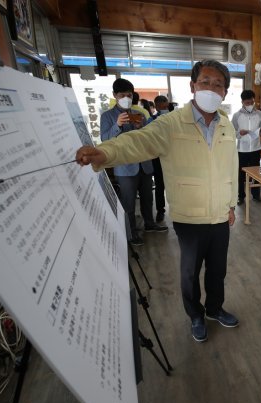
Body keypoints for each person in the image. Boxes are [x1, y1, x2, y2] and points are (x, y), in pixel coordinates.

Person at [76, 60, 239, 343]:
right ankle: (196, 315)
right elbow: (139, 141)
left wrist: (232, 204)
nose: (211, 89)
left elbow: (230, 166)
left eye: (218, 85)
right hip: (189, 215)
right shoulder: (171, 123)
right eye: (205, 82)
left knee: (218, 270)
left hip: (219, 215)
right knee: (190, 273)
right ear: (192, 86)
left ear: (225, 92)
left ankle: (214, 308)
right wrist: (105, 153)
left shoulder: (226, 124)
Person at [100, 79, 166, 246]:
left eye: (129, 95)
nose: (126, 98)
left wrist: (139, 128)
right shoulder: (107, 117)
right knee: (128, 203)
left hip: (143, 164)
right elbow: (105, 140)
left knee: (147, 199)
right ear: (115, 95)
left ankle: (150, 224)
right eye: (122, 95)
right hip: (125, 168)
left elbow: (147, 139)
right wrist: (117, 125)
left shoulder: (141, 115)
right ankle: (131, 234)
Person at [232, 89, 261, 205]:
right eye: (247, 103)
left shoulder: (259, 114)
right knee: (241, 174)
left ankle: (256, 195)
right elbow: (232, 131)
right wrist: (239, 133)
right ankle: (241, 196)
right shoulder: (237, 115)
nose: (250, 105)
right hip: (242, 149)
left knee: (255, 173)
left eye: (252, 102)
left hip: (256, 148)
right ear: (242, 102)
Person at [150, 94, 171, 223]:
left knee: (177, 184)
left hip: (174, 156)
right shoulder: (152, 120)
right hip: (158, 158)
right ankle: (160, 210)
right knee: (159, 185)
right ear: (156, 106)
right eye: (160, 106)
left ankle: (179, 208)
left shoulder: (175, 118)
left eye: (165, 105)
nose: (163, 108)